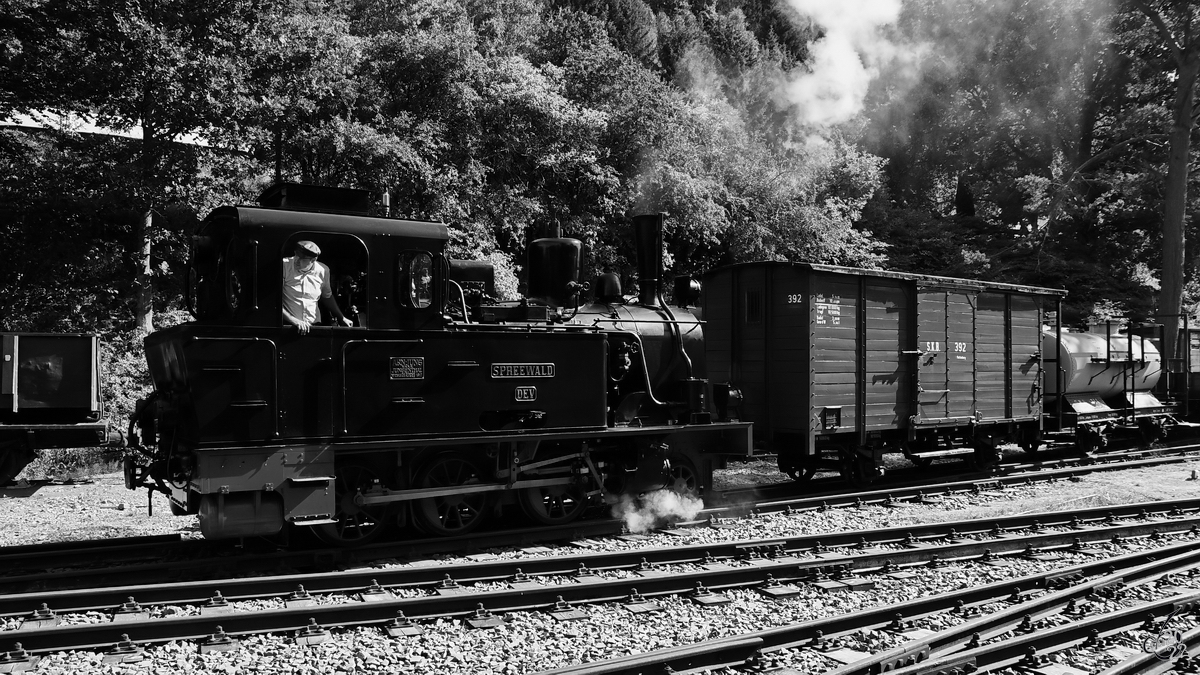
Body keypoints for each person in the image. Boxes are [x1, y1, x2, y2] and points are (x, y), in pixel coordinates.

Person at [282, 240, 354, 334]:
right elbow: (272, 300)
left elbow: (327, 296)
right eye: (296, 255)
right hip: (288, 327)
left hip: (313, 326)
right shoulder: (284, 265)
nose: (296, 260)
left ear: (313, 260)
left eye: (301, 258)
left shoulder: (323, 270)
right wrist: (294, 321)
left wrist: (342, 317)